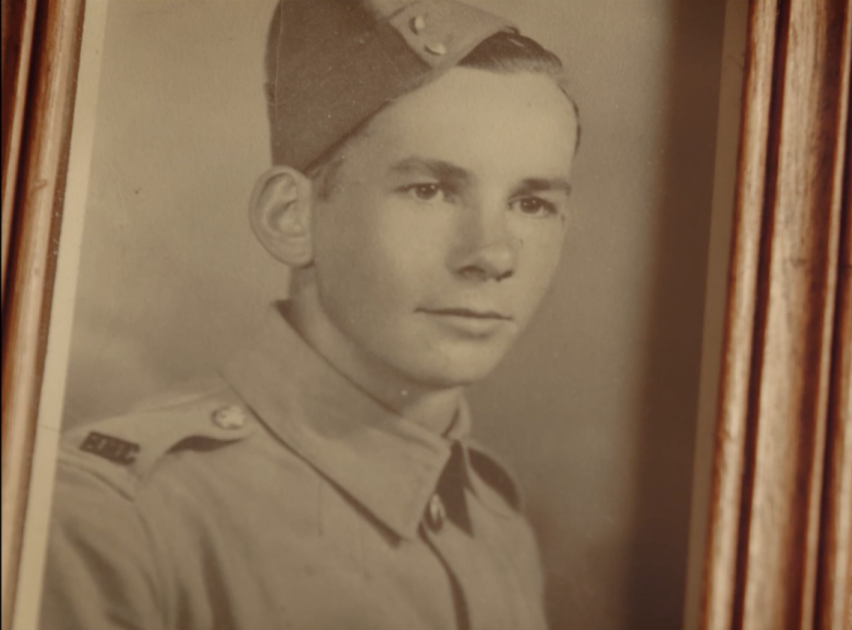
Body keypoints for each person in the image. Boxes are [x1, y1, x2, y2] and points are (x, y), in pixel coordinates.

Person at [40, 1, 580, 628]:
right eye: (429, 190)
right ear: (290, 218)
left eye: (533, 203)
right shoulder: (116, 521)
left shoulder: (496, 526)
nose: (491, 254)